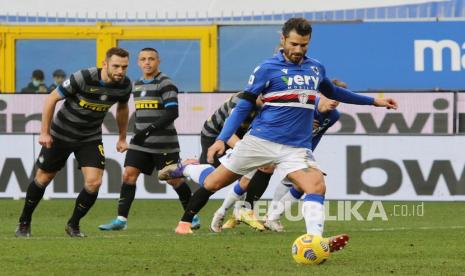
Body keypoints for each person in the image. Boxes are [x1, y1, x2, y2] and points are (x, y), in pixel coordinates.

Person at [169, 17, 397, 254]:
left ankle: (315, 243)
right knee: (213, 183)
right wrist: (221, 138)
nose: (298, 50)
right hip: (260, 142)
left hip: (295, 148)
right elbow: (244, 106)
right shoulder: (266, 68)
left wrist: (375, 102)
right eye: (294, 44)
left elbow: (335, 92)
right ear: (283, 39)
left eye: (304, 45)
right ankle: (187, 173)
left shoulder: (315, 68)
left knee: (316, 186)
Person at [14, 47, 132, 238]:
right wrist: (45, 132)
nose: (120, 71)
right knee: (43, 179)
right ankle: (24, 222)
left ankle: (73, 225)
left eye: (124, 67)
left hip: (90, 138)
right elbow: (52, 98)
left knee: (94, 183)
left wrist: (122, 137)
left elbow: (123, 108)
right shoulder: (83, 77)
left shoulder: (125, 85)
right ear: (105, 63)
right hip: (61, 135)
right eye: (116, 66)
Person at [98, 47, 199, 231]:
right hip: (141, 143)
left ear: (158, 61)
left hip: (164, 144)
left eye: (151, 59)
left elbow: (172, 112)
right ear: (138, 63)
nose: (147, 62)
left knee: (174, 180)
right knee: (128, 175)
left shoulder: (165, 83)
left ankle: (192, 216)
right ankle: (121, 220)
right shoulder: (137, 85)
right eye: (143, 59)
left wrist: (148, 130)